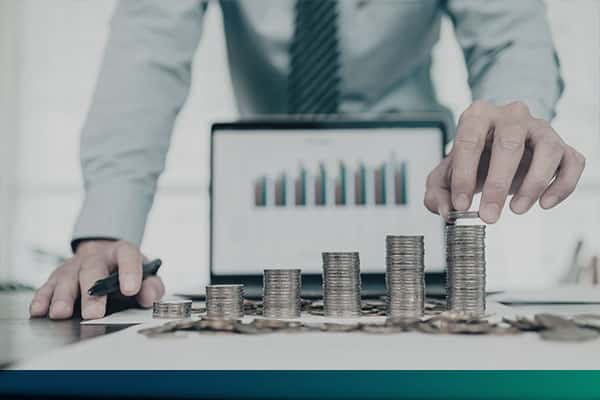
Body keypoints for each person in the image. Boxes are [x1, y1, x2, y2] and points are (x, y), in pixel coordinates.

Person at [29, 0, 585, 320]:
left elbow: (511, 38)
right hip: (272, 206)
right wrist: (108, 226)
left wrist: (512, 121)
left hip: (417, 201)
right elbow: (146, 55)